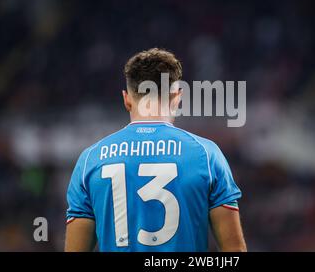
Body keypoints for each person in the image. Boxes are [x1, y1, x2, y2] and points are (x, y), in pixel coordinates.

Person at [65, 48, 246, 252]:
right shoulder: (207, 155)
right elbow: (235, 251)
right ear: (177, 97)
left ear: (126, 99)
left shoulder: (90, 159)